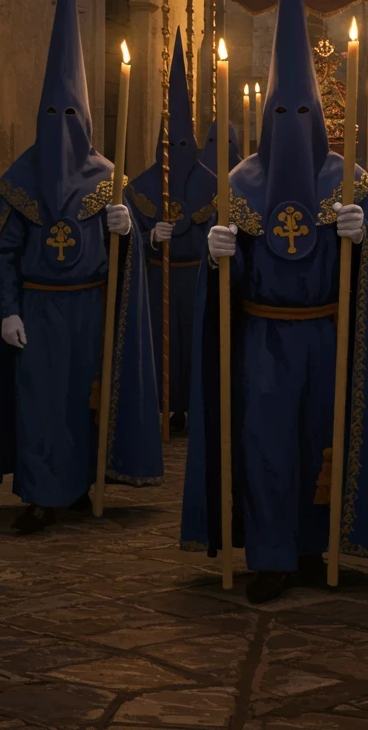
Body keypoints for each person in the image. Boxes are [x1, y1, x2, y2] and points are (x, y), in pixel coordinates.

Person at [181, 0, 368, 604]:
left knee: (327, 442)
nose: (291, 121)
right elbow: (222, 288)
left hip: (327, 334)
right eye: (280, 110)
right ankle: (268, 555)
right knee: (264, 447)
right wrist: (217, 257)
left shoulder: (348, 181)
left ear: (318, 116)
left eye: (302, 110)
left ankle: (319, 547)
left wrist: (365, 238)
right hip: (262, 339)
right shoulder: (241, 182)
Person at [0, 0, 162, 532]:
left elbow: (129, 257)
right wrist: (7, 311)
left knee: (83, 403)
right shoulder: (21, 181)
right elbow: (2, 250)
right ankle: (39, 493)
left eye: (69, 113)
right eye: (51, 113)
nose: (60, 125)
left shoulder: (108, 180)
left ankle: (79, 484)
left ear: (86, 118)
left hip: (91, 309)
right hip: (39, 309)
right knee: (39, 403)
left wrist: (131, 231)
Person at [128, 31, 216, 436]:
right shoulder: (141, 187)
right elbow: (122, 243)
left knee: (194, 344)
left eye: (184, 142)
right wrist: (148, 238)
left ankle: (192, 407)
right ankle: (159, 406)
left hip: (196, 278)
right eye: (171, 142)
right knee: (160, 344)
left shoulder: (213, 185)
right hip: (156, 280)